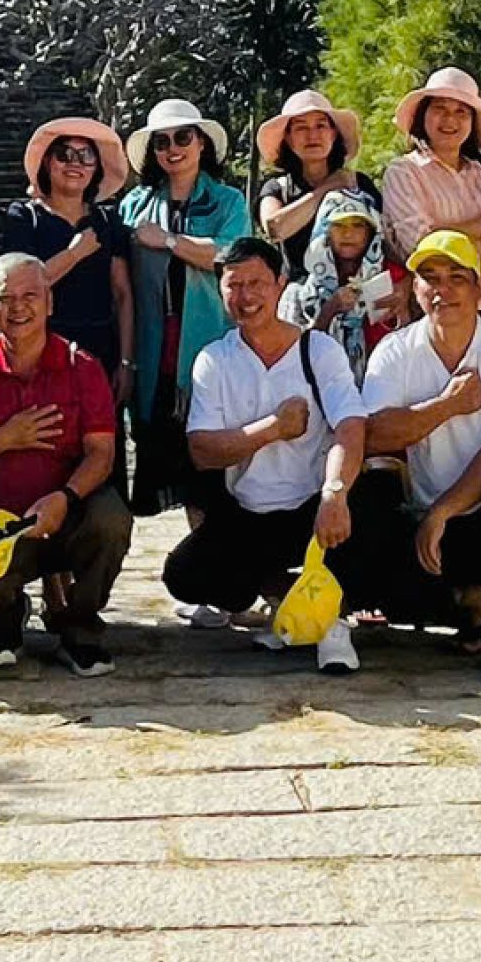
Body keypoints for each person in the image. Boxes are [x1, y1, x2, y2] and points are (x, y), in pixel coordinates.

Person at [330, 231, 481, 685]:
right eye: (430, 278)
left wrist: (443, 511)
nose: (443, 289)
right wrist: (446, 405)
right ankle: (479, 602)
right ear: (414, 290)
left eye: (458, 278)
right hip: (434, 527)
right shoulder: (395, 350)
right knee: (384, 586)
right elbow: (375, 435)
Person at [164, 236, 365, 674]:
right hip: (248, 512)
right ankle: (286, 599)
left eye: (257, 283)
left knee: (373, 521)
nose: (246, 297)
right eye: (234, 286)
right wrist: (272, 429)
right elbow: (202, 449)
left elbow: (350, 426)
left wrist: (334, 493)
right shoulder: (214, 359)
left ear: (280, 283)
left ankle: (331, 613)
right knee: (183, 574)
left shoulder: (319, 351)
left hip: (314, 509)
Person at [0, 253, 131, 676]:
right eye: (6, 298)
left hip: (67, 516)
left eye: (30, 296)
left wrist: (65, 497)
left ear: (50, 302)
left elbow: (102, 453)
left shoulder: (83, 366)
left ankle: (78, 630)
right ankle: (10, 610)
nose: (19, 307)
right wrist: (5, 438)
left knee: (111, 518)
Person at [117, 97, 250, 511]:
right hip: (152, 350)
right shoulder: (134, 204)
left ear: (202, 143)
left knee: (208, 468)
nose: (173, 148)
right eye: (162, 141)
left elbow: (233, 255)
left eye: (183, 137)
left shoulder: (229, 201)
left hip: (209, 341)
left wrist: (171, 242)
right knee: (158, 459)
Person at [0, 116, 135, 402]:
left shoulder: (107, 220)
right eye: (64, 154)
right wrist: (75, 254)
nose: (75, 164)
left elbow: (122, 294)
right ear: (47, 162)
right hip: (40, 347)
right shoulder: (24, 217)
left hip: (100, 347)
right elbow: (21, 287)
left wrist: (126, 362)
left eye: (86, 157)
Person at [380, 67, 481, 312]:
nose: (450, 120)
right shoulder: (404, 172)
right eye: (440, 109)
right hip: (437, 306)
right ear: (422, 115)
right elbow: (421, 247)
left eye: (461, 112)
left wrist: (443, 232)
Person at [254, 89, 377, 273]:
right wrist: (328, 188)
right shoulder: (277, 189)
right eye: (301, 128)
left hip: (360, 290)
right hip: (299, 296)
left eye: (320, 126)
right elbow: (275, 228)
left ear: (333, 134)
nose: (312, 136)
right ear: (288, 138)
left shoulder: (359, 184)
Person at [290, 186, 395, 370]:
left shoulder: (388, 287)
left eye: (358, 225)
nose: (348, 233)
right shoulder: (297, 295)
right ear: (325, 232)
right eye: (338, 225)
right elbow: (295, 359)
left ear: (371, 233)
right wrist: (330, 310)